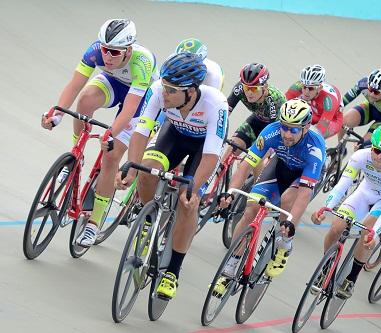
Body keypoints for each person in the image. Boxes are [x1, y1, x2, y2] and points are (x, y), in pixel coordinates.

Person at [115, 52, 229, 299]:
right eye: (164, 87)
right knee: (146, 171)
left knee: (187, 203)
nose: (164, 93)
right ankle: (148, 219)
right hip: (174, 135)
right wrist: (132, 167)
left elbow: (210, 155)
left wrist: (194, 188)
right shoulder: (159, 90)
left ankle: (172, 272)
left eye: (171, 90)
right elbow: (141, 132)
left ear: (190, 91)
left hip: (202, 148)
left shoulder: (215, 104)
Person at [41, 19, 158, 246]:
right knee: (85, 99)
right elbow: (74, 85)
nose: (108, 56)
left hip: (141, 99)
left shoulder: (142, 61)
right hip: (114, 82)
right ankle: (77, 154)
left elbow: (130, 109)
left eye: (114, 52)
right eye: (105, 49)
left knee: (111, 156)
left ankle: (94, 225)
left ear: (128, 50)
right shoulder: (95, 51)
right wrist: (56, 114)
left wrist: (110, 134)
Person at [215, 99, 326, 292]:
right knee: (251, 208)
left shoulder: (314, 148)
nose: (286, 133)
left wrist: (290, 223)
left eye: (293, 129)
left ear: (306, 127)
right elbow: (245, 166)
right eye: (284, 127)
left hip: (302, 177)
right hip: (280, 166)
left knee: (287, 202)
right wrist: (230, 192)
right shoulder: (272, 132)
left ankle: (285, 244)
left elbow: (304, 195)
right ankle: (231, 266)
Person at [311, 124, 381, 299]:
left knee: (366, 233)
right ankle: (326, 268)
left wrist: (375, 232)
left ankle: (351, 278)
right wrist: (326, 207)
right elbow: (343, 184)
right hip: (364, 194)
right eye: (376, 150)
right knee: (336, 227)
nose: (378, 156)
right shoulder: (360, 156)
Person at [220, 63, 286, 174]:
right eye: (247, 88)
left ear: (264, 88)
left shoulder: (275, 100)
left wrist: (256, 152)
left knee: (255, 161)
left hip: (275, 129)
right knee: (230, 152)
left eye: (254, 89)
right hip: (256, 120)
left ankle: (256, 188)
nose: (249, 93)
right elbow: (225, 113)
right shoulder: (239, 89)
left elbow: (273, 132)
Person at [341, 68, 381, 145]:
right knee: (343, 122)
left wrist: (366, 144)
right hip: (371, 107)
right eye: (370, 89)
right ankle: (340, 150)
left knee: (362, 146)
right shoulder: (363, 83)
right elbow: (343, 101)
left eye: (376, 92)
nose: (371, 94)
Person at [285, 64, 343, 140]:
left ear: (320, 88)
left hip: (332, 119)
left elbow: (320, 129)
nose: (306, 91)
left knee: (311, 139)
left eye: (311, 88)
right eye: (304, 87)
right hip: (314, 112)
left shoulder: (329, 99)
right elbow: (284, 106)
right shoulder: (297, 86)